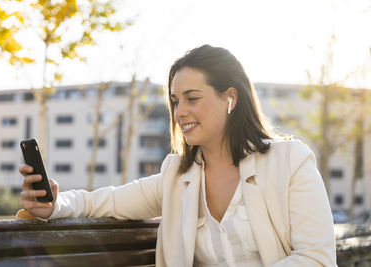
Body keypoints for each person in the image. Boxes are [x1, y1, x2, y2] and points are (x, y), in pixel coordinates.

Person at [18, 45, 337, 266]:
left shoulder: (291, 161)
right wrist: (54, 205)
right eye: (174, 101)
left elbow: (317, 259)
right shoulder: (176, 176)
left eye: (192, 98)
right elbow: (107, 201)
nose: (179, 112)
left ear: (230, 99)